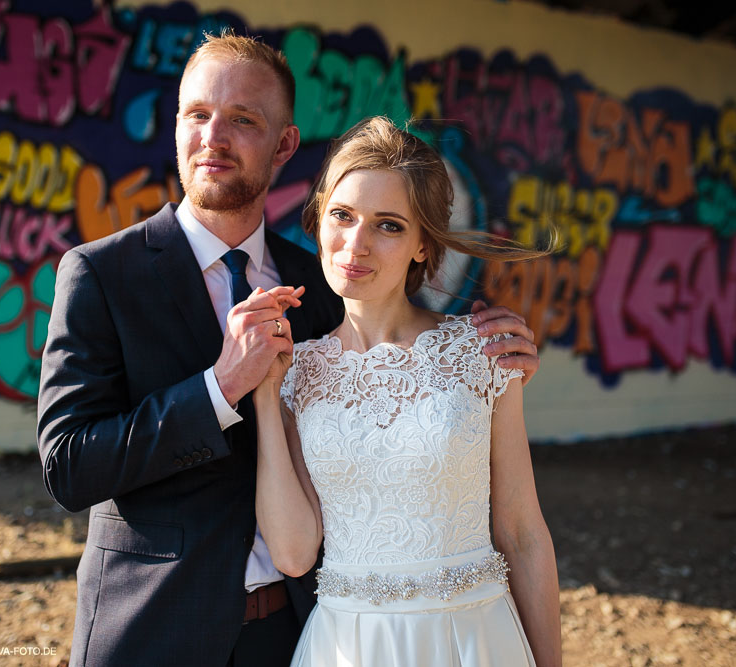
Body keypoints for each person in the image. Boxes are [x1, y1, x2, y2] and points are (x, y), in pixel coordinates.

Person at [37, 34, 543, 667]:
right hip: (155, 628)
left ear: (284, 145)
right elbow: (68, 466)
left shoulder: (330, 283)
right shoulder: (99, 273)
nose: (213, 136)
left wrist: (492, 365)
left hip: (300, 629)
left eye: (242, 119)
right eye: (197, 114)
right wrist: (218, 389)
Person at [250, 116, 561, 666]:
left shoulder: (483, 353)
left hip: (472, 641)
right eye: (342, 216)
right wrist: (266, 400)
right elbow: (295, 554)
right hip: (348, 647)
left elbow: (522, 530)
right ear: (320, 218)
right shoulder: (299, 372)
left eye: (388, 225)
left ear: (423, 245)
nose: (356, 244)